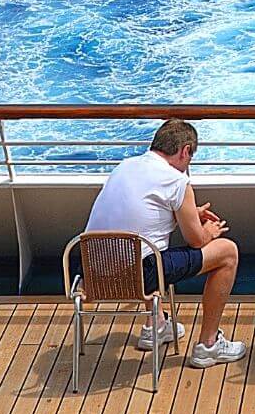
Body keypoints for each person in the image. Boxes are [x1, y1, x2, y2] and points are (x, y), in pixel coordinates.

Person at [81, 118, 246, 368]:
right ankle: (208, 346)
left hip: (93, 271)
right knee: (227, 253)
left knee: (150, 244)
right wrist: (209, 231)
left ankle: (156, 326)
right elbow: (196, 241)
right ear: (185, 151)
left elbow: (144, 216)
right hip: (137, 274)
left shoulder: (124, 166)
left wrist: (188, 213)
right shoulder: (176, 181)